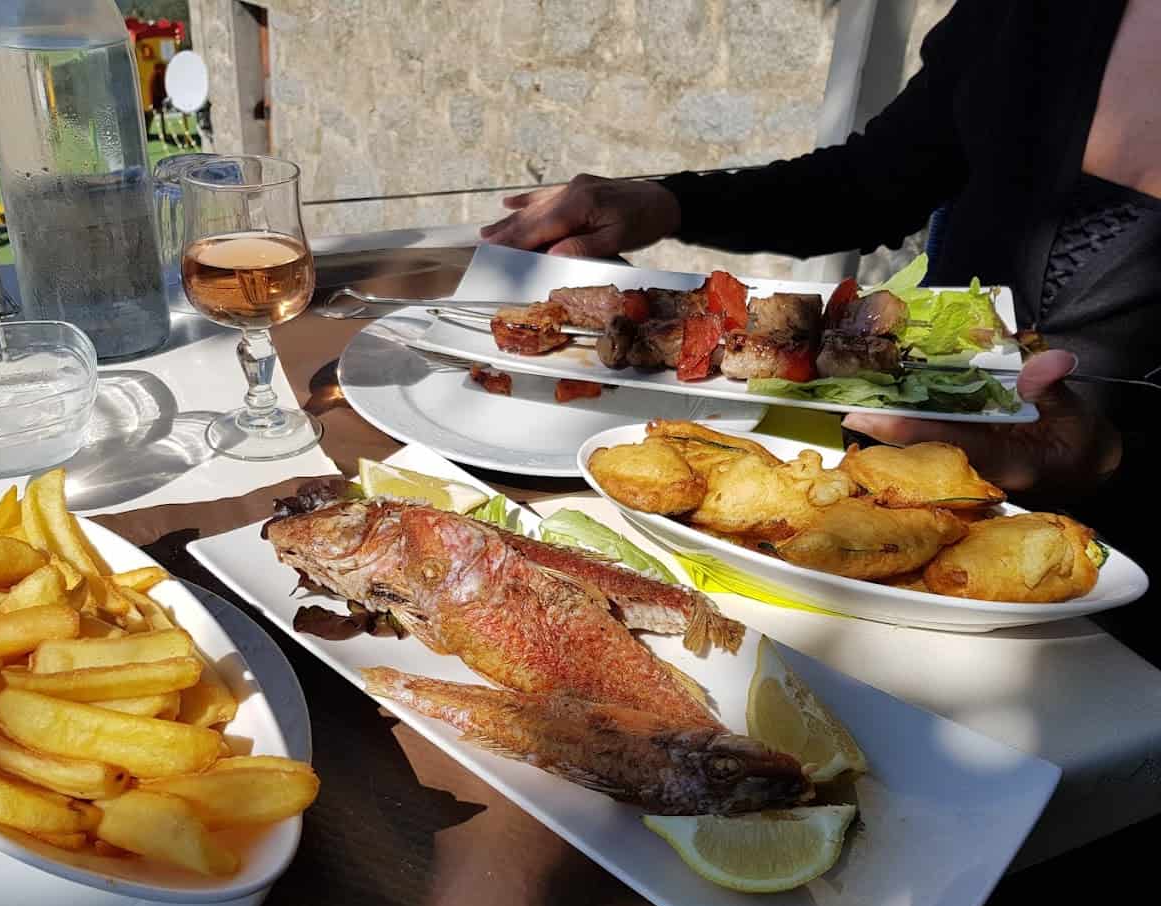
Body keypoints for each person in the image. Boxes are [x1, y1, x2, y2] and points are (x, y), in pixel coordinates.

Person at [482, 0, 1157, 653]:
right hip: (861, 506)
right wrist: (667, 202)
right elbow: (870, 183)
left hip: (1109, 600)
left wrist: (1106, 458)